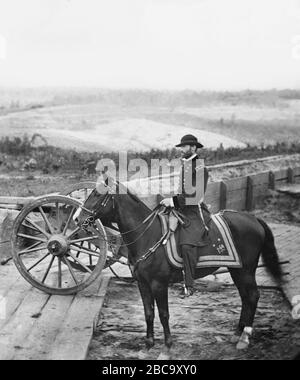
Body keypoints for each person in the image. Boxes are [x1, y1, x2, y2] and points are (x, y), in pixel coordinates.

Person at [160, 134, 209, 297]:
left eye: (185, 147)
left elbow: (193, 195)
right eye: (181, 147)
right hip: (183, 209)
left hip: (195, 211)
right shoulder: (186, 165)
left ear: (194, 148)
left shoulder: (200, 168)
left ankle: (189, 284)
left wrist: (172, 201)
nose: (181, 150)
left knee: (187, 245)